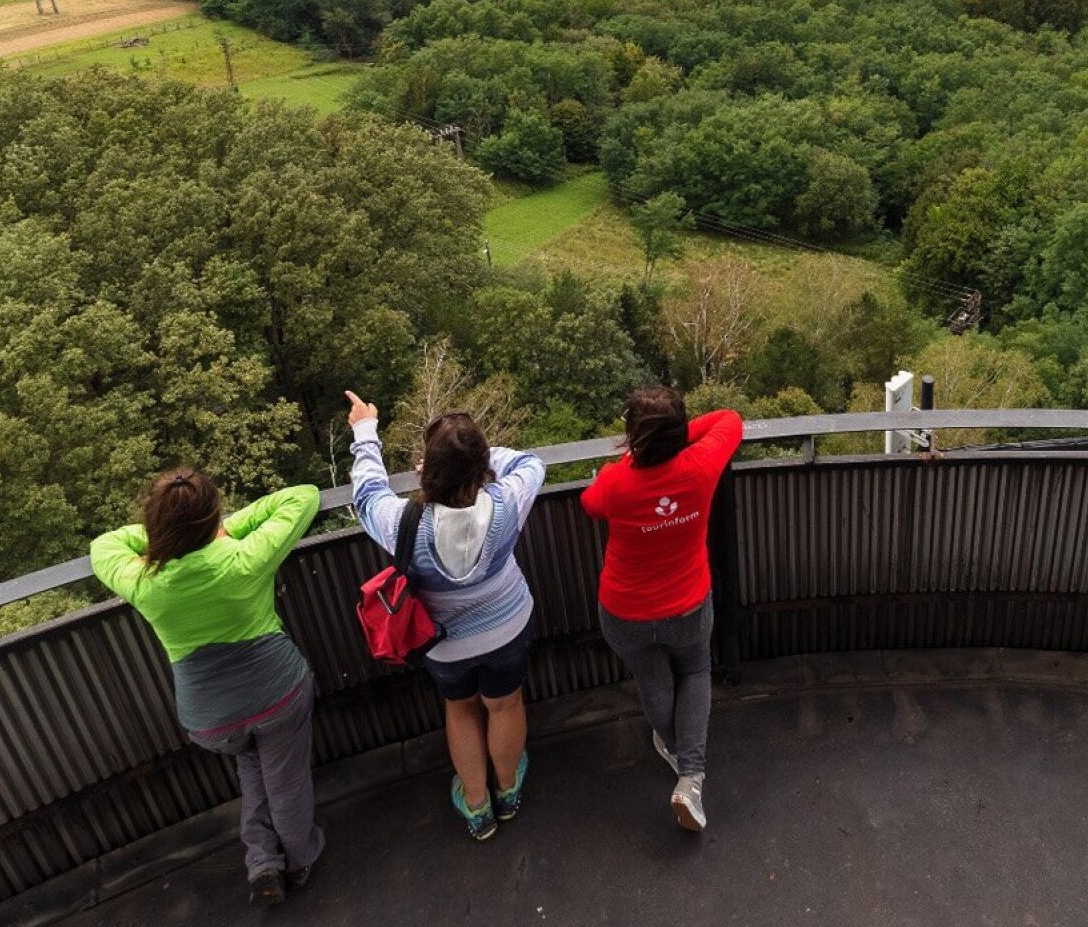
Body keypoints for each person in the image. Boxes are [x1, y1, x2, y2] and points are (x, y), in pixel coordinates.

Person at [90, 468, 323, 907]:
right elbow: (303, 496)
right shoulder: (242, 556)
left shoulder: (145, 581)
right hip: (277, 695)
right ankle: (300, 856)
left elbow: (103, 546)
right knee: (286, 781)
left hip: (211, 720)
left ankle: (263, 863)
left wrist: (171, 538)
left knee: (253, 768)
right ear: (213, 517)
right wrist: (223, 531)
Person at [347, 390, 545, 842]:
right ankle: (508, 789)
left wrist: (364, 430)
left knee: (460, 709)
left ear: (427, 468)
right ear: (480, 467)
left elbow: (367, 492)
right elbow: (532, 463)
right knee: (505, 703)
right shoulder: (506, 501)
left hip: (444, 641)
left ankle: (478, 807)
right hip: (507, 626)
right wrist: (472, 454)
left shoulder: (403, 522)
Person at [580, 386, 743, 833]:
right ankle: (690, 778)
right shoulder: (701, 465)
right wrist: (674, 439)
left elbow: (588, 504)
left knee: (652, 677)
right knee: (694, 673)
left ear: (633, 435)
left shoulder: (616, 481)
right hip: (688, 604)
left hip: (626, 612)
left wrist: (646, 449)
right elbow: (729, 418)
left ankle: (672, 745)